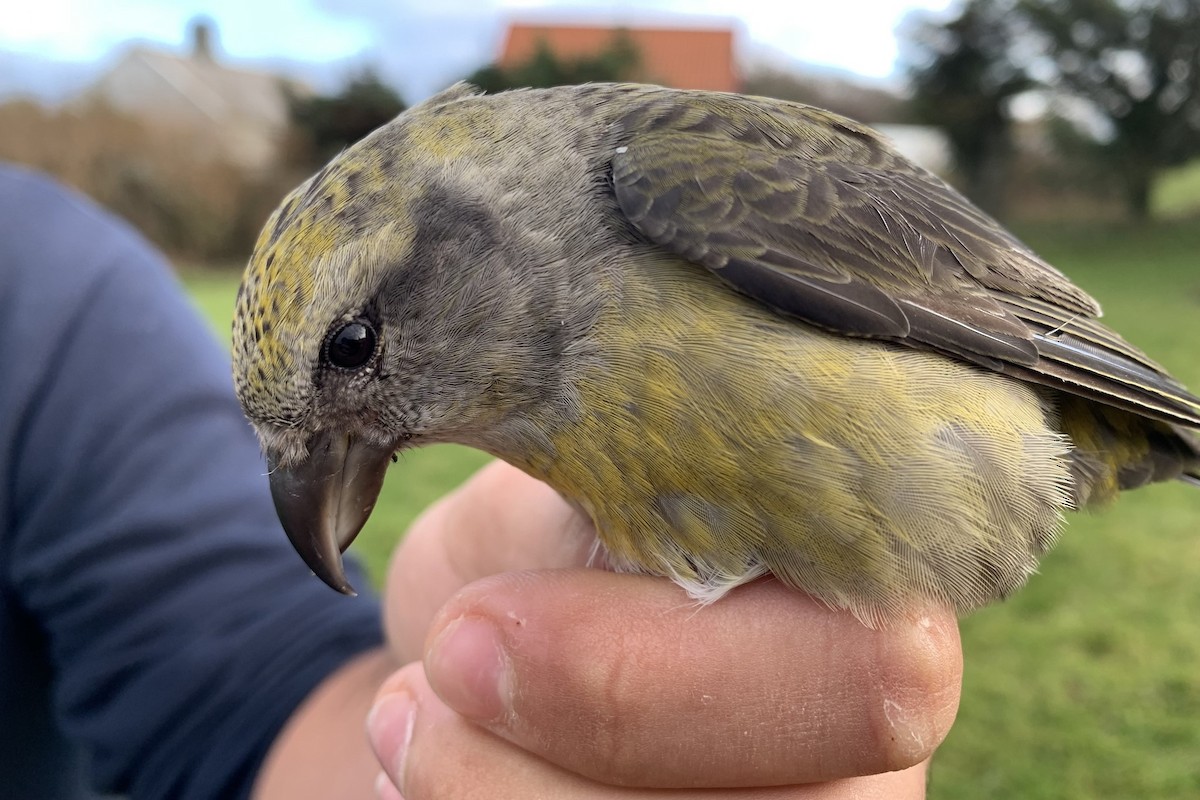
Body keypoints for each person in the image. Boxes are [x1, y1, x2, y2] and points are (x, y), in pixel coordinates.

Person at [0, 163, 961, 799]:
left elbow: (234, 700)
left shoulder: (44, 293)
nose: (313, 474)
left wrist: (431, 712)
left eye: (353, 349)